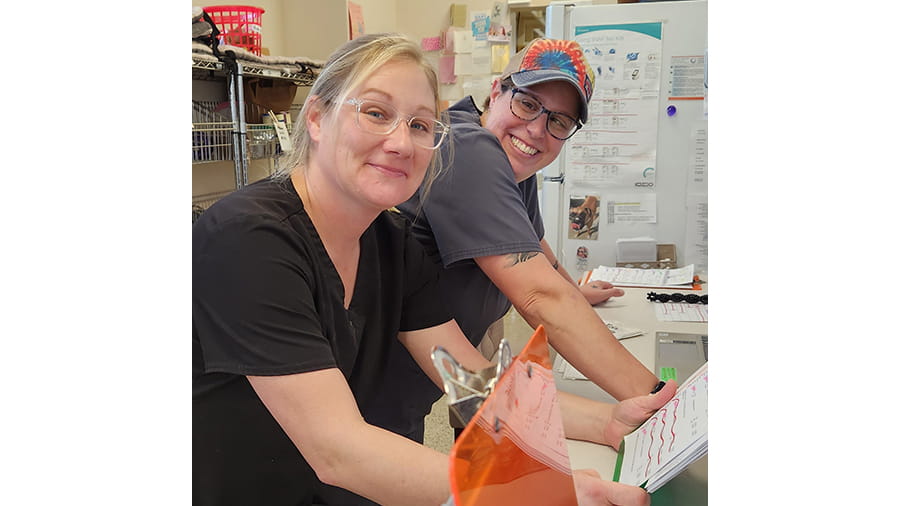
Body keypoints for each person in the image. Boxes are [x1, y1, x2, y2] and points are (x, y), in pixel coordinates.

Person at [194, 33, 676, 506]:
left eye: (421, 125)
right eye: (376, 113)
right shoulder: (249, 238)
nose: (401, 143)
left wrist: (606, 421)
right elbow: (337, 450)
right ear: (317, 118)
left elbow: (473, 380)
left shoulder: (392, 244)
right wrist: (530, 492)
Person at [374, 38, 661, 442]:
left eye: (559, 121)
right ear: (496, 92)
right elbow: (539, 295)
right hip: (376, 380)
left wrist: (575, 292)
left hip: (431, 365)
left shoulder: (511, 161)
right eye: (527, 104)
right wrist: (658, 399)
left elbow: (535, 248)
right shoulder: (469, 150)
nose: (537, 130)